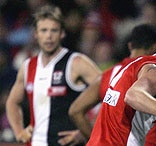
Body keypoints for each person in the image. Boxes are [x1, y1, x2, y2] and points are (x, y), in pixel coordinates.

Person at [69, 24, 156, 146]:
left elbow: (75, 111)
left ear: (130, 46)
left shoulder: (109, 76)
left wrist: (93, 137)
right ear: (154, 47)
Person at [5, 5, 101, 146]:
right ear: (36, 34)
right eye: (44, 30)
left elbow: (110, 93)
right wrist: (19, 131)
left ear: (62, 33)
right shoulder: (27, 67)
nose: (49, 36)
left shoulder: (76, 62)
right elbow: (12, 102)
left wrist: (86, 130)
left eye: (54, 30)